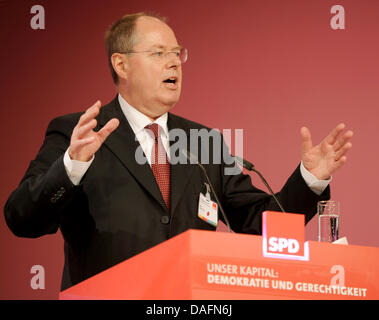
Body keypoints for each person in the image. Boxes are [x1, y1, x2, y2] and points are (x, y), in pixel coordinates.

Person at [4, 12, 353, 290]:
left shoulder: (204, 141)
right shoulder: (80, 132)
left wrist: (311, 179)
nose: (174, 63)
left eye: (177, 53)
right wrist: (71, 166)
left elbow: (260, 227)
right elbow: (22, 218)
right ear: (121, 65)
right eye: (159, 54)